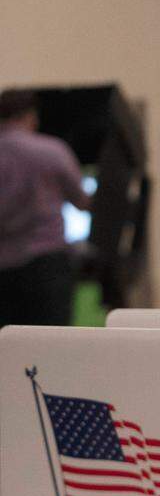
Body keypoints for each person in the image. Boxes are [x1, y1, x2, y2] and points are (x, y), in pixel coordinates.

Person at [0, 90, 90, 327]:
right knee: (50, 344)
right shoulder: (51, 150)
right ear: (31, 116)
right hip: (47, 263)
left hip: (4, 267)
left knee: (8, 347)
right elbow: (81, 202)